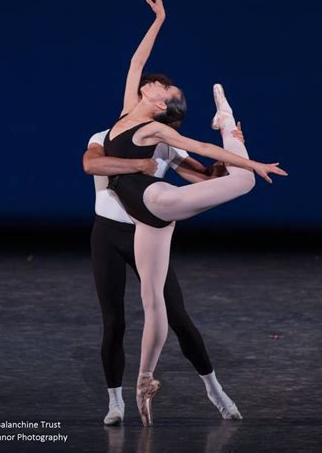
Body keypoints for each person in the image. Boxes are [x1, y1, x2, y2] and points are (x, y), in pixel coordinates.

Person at [96, 0, 287, 426]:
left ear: (161, 102)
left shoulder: (156, 131)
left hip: (155, 204)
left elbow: (197, 146)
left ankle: (228, 121)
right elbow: (135, 62)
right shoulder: (127, 111)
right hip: (148, 226)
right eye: (158, 82)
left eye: (164, 86)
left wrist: (252, 160)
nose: (156, 83)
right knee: (153, 303)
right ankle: (144, 381)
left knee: (243, 181)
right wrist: (159, 21)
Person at [84, 74, 247, 426]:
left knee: (178, 318)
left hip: (147, 232)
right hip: (108, 235)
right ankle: (115, 402)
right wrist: (138, 166)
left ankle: (215, 391)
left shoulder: (164, 142)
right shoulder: (103, 136)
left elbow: (205, 177)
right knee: (114, 321)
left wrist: (233, 157)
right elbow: (92, 165)